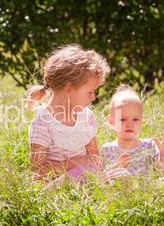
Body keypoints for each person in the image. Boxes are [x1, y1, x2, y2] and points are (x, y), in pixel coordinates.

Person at [27, 44, 110, 181]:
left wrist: (98, 167)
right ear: (69, 88)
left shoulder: (86, 116)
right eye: (90, 92)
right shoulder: (43, 123)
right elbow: (38, 173)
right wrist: (75, 162)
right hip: (59, 186)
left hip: (88, 179)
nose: (94, 97)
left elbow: (94, 157)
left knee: (120, 173)